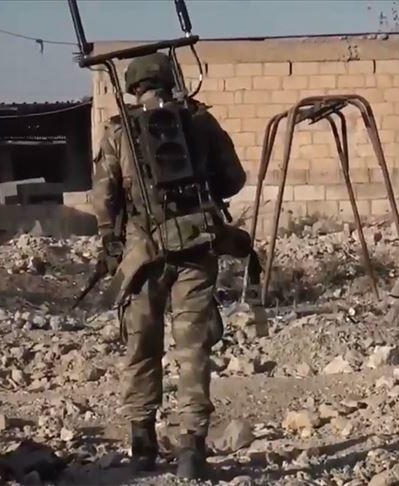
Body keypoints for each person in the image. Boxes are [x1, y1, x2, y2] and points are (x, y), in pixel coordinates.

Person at [91, 52, 248, 478]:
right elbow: (234, 179)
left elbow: (104, 198)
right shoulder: (200, 121)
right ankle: (191, 452)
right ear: (171, 79)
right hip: (196, 248)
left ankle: (142, 446)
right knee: (193, 349)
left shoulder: (118, 131)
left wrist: (110, 242)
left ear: (133, 88)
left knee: (141, 346)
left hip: (142, 255)